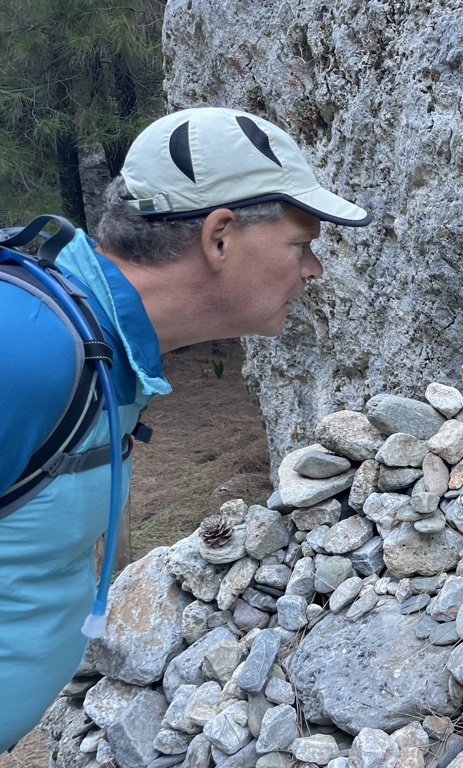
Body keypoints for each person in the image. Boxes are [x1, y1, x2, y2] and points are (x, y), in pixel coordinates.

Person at [0, 106, 372, 751]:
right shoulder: (28, 353)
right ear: (219, 236)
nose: (313, 269)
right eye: (300, 243)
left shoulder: (99, 351)